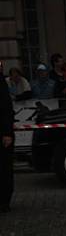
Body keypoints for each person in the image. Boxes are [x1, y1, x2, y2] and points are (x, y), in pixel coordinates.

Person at [0, 65, 15, 212]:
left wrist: (7, 133)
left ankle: (4, 201)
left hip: (2, 133)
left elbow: (6, 108)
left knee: (4, 168)